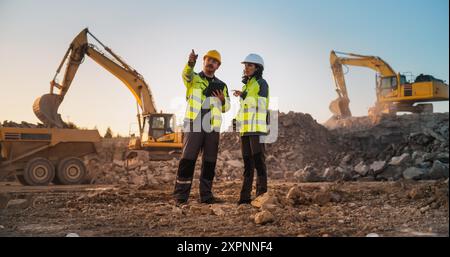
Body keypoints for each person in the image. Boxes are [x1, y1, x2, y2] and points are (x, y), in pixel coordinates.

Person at [173, 49, 230, 205]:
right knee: (188, 158)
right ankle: (180, 196)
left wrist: (222, 100)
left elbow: (227, 108)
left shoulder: (222, 85)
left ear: (218, 66)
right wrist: (190, 63)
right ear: (203, 61)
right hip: (194, 122)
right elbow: (185, 75)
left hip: (212, 126)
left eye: (214, 61)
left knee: (209, 161)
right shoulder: (194, 78)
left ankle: (206, 196)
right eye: (209, 60)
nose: (211, 63)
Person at [233, 53, 269, 205]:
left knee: (259, 162)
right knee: (248, 165)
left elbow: (261, 105)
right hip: (245, 131)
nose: (246, 68)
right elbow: (244, 109)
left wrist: (245, 95)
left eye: (250, 65)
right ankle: (244, 198)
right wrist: (236, 119)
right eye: (245, 65)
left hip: (257, 129)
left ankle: (261, 195)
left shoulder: (262, 83)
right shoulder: (245, 86)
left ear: (257, 68)